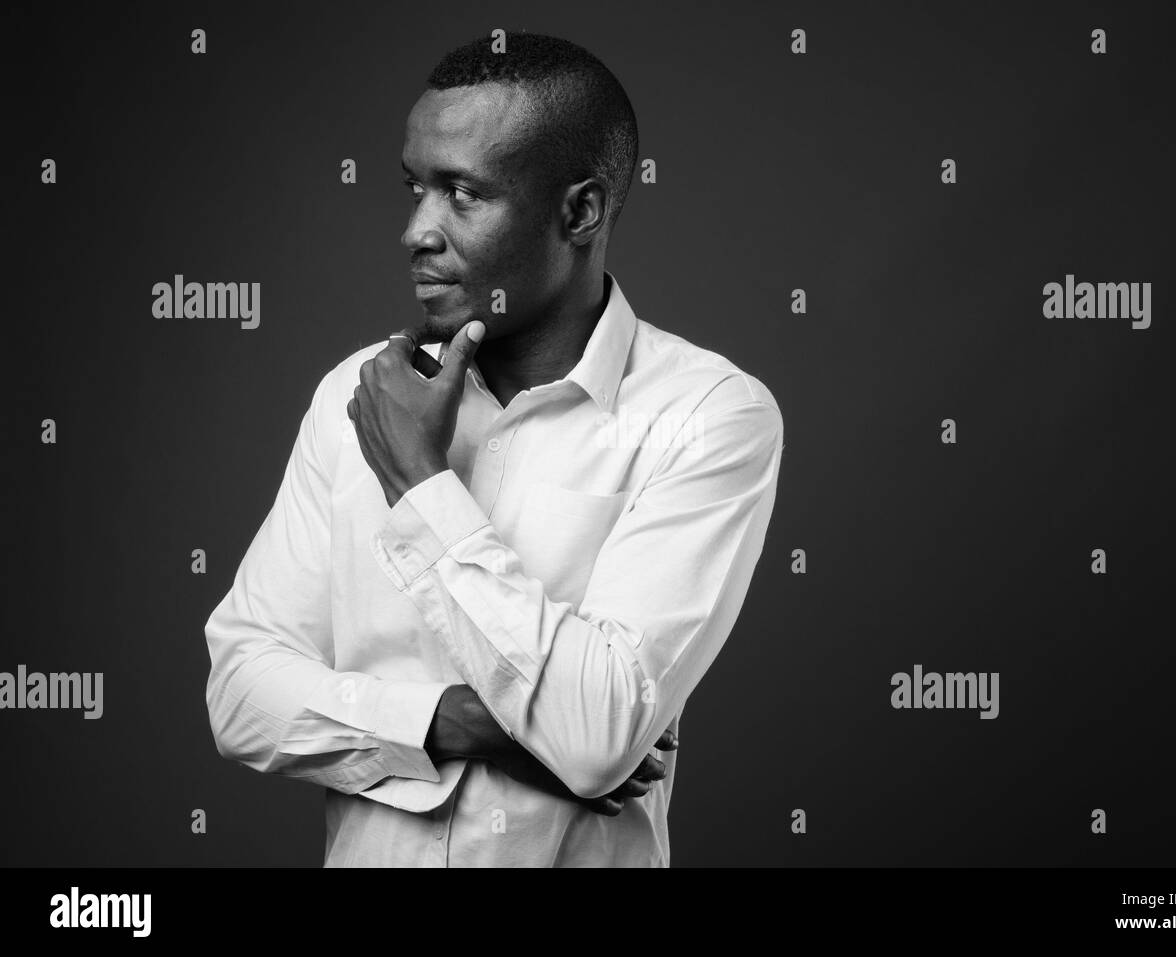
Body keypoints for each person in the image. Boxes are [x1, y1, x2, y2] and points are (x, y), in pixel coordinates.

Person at [204, 30, 783, 867]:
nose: (415, 232)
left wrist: (420, 482)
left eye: (462, 194)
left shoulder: (708, 412)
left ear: (579, 212)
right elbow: (241, 692)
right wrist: (466, 724)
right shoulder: (353, 396)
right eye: (414, 188)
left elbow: (598, 737)